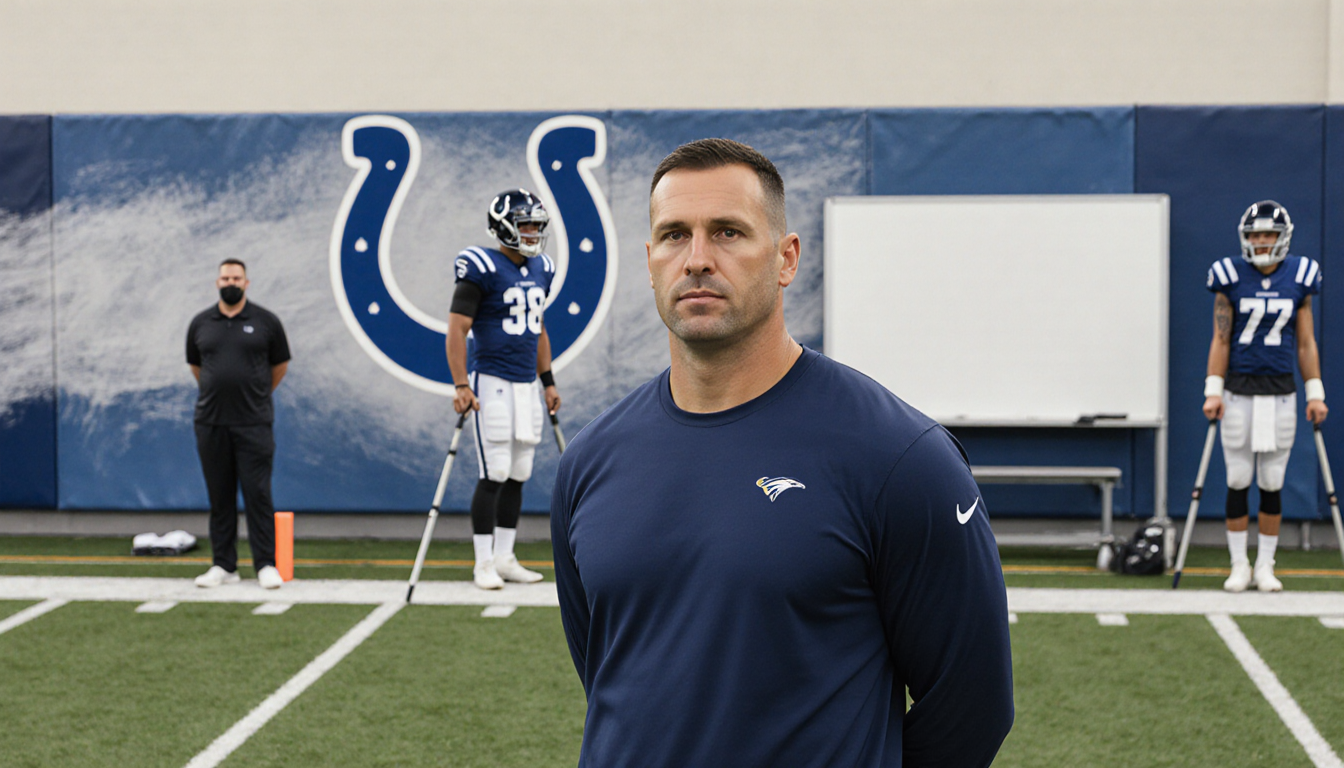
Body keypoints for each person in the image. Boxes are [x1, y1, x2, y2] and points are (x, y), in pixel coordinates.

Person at [550, 139, 1014, 767]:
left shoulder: (901, 458)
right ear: (650, 260)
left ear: (786, 258)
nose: (697, 260)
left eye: (728, 232)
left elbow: (973, 710)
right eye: (673, 236)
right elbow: (605, 671)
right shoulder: (589, 462)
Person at [1203, 200, 1327, 593]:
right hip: (1239, 389)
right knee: (1238, 478)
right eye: (1254, 234)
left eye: (1267, 234)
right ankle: (1239, 564)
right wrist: (1213, 389)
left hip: (1281, 392)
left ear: (1282, 238)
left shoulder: (1301, 277)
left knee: (1272, 481)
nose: (1260, 241)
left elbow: (1305, 343)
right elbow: (1221, 337)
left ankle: (1265, 565)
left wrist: (1315, 393)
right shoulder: (1229, 276)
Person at [447, 189, 562, 590]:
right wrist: (462, 383)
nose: (532, 232)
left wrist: (547, 382)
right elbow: (458, 329)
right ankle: (483, 563)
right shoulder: (481, 265)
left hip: (526, 383)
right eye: (525, 223)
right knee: (493, 470)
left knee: (519, 472)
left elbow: (539, 330)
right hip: (491, 380)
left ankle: (505, 557)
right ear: (503, 225)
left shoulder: (542, 267)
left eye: (536, 225)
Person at [186, 258, 290, 589]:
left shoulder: (266, 322)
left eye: (237, 277)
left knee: (258, 494)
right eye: (225, 277)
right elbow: (197, 366)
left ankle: (265, 564)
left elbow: (279, 365)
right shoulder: (201, 323)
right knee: (220, 495)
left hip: (254, 423)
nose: (230, 281)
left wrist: (253, 395)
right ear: (217, 282)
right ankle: (223, 565)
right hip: (211, 423)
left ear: (247, 283)